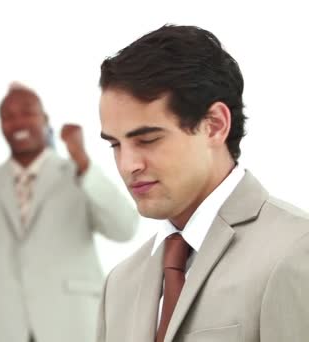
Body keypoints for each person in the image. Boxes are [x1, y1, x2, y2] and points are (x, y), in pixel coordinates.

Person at [96, 24, 309, 342]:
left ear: (214, 126)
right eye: (115, 145)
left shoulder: (294, 251)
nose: (127, 165)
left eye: (148, 139)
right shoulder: (119, 285)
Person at [0, 83, 139, 342]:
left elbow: (125, 228)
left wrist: (82, 160)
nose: (17, 122)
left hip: (71, 323)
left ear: (45, 119)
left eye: (27, 112)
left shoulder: (77, 174)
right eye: (7, 116)